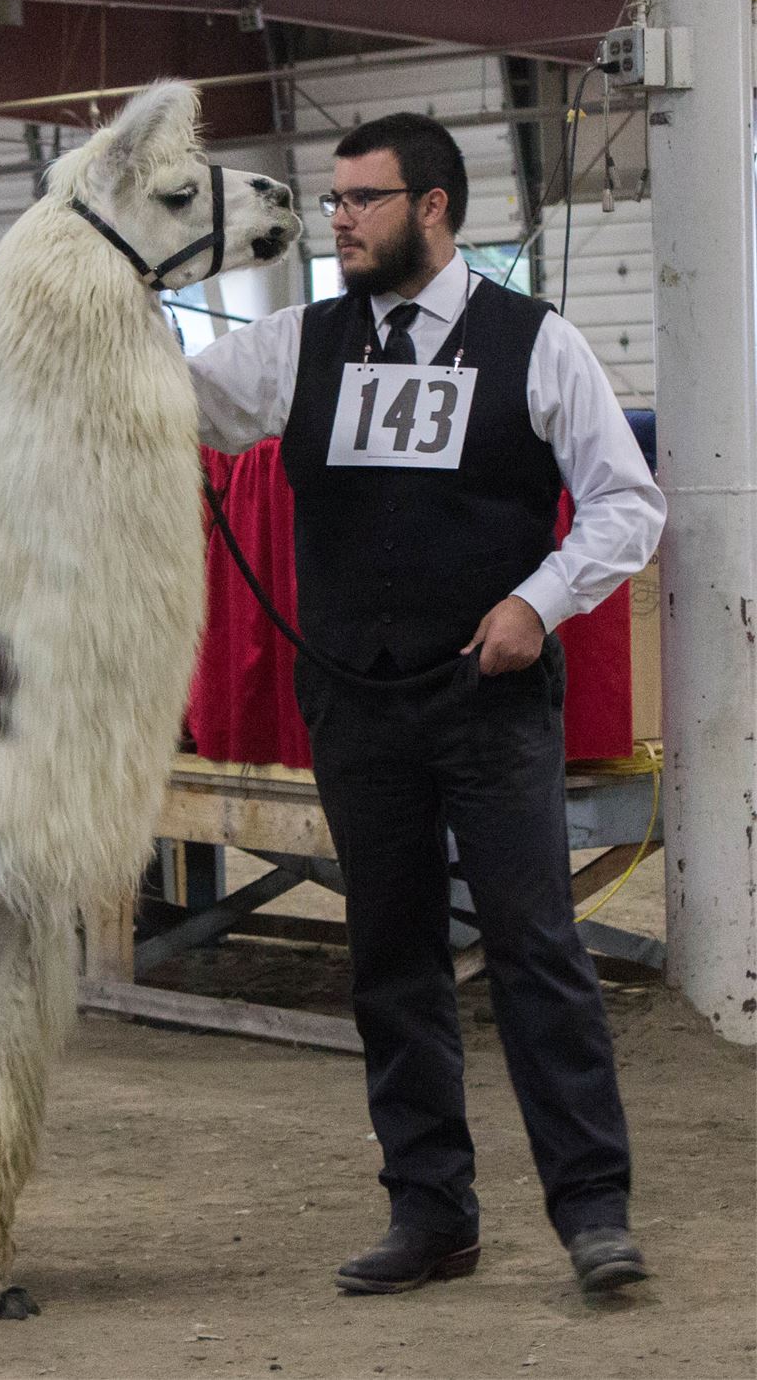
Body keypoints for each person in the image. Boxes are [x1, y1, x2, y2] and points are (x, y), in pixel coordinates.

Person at [188, 113, 665, 1296]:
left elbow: (624, 505)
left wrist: (537, 603)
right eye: (334, 199)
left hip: (488, 695)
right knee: (388, 958)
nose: (336, 219)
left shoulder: (535, 343)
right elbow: (162, 405)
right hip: (354, 699)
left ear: (434, 209)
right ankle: (430, 1213)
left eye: (362, 199)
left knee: (533, 949)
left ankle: (592, 1211)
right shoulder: (293, 343)